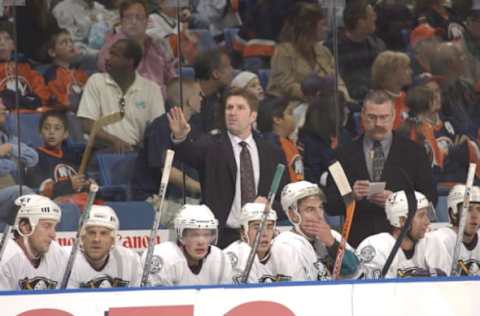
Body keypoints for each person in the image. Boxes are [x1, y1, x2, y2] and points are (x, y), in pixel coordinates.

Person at [168, 88, 287, 248]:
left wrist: (271, 206)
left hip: (261, 235)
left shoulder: (272, 151)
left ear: (253, 116)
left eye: (240, 107)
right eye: (229, 107)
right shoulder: (211, 145)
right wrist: (181, 137)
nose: (232, 112)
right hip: (223, 237)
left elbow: (284, 198)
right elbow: (189, 155)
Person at [325, 90, 437, 247]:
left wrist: (398, 201)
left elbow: (431, 198)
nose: (378, 123)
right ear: (362, 117)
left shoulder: (414, 153)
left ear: (394, 116)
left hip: (403, 244)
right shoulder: (343, 155)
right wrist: (351, 196)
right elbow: (330, 204)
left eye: (384, 117)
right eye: (372, 117)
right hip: (359, 244)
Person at [131, 78, 204, 225]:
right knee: (195, 222)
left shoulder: (194, 128)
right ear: (189, 100)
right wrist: (200, 187)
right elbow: (167, 170)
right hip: (156, 199)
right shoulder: (161, 127)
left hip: (184, 199)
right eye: (199, 94)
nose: (202, 98)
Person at [78, 38, 165, 152]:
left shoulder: (152, 89)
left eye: (114, 55)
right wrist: (114, 141)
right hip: (102, 151)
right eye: (110, 53)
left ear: (129, 62)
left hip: (137, 152)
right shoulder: (96, 81)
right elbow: (86, 124)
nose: (107, 58)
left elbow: (158, 128)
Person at [271, 181, 359, 281]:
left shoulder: (331, 235)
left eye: (320, 207)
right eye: (310, 209)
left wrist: (332, 244)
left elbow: (355, 270)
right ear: (292, 215)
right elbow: (295, 289)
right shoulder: (285, 245)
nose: (319, 215)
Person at [267, 3, 350, 104]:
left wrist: (344, 97)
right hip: (290, 107)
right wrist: (317, 97)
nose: (327, 29)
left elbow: (338, 82)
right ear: (309, 26)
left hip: (325, 105)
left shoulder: (324, 52)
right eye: (323, 24)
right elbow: (287, 86)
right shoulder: (283, 52)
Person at [356, 190, 450, 278]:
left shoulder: (431, 242)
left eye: (427, 215)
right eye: (421, 215)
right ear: (402, 221)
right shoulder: (377, 247)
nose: (427, 222)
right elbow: (374, 291)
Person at [97, 0, 176, 95]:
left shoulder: (155, 45)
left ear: (147, 21)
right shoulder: (112, 49)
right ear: (121, 22)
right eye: (128, 17)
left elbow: (171, 76)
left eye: (138, 17)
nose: (133, 22)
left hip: (162, 100)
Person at [143, 204, 232, 286]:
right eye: (194, 235)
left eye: (206, 234)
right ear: (181, 235)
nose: (201, 242)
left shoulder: (221, 260)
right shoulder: (164, 258)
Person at [0, 194, 67, 290]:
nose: (53, 235)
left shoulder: (58, 255)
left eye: (54, 227)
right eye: (47, 226)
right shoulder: (5, 258)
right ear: (25, 227)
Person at [25, 110, 93, 201]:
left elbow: (81, 184)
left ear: (65, 134)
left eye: (57, 128)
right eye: (46, 128)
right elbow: (41, 189)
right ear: (40, 132)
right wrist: (69, 184)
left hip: (78, 204)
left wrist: (88, 185)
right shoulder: (35, 157)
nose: (51, 132)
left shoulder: (72, 158)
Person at [67, 205, 142, 288]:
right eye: (91, 232)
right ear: (82, 236)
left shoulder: (130, 261)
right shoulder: (67, 260)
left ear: (113, 239)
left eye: (103, 233)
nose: (96, 239)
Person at [326, 0, 385, 101]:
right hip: (352, 100)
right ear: (360, 22)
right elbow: (342, 81)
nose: (375, 18)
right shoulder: (333, 48)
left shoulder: (377, 44)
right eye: (371, 16)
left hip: (378, 96)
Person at [223, 202, 286, 283]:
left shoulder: (282, 253)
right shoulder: (235, 257)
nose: (264, 233)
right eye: (257, 227)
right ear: (243, 232)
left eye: (269, 227)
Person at [428, 184, 480, 275]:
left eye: (479, 209)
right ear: (453, 213)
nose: (475, 216)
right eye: (468, 209)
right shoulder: (440, 240)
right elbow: (440, 286)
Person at [0, 20, 49, 110]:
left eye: (7, 38)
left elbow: (42, 94)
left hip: (28, 116)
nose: (2, 43)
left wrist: (30, 101)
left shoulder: (25, 68)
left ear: (13, 45)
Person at [256, 96, 303, 183]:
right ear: (277, 119)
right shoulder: (273, 147)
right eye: (290, 113)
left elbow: (299, 174)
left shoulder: (289, 142)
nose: (293, 117)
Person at [44, 28, 89, 112]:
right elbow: (58, 101)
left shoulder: (79, 73)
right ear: (52, 52)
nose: (70, 45)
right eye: (64, 42)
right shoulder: (52, 75)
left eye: (71, 41)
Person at [193, 49, 234, 133]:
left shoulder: (223, 96)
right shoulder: (187, 100)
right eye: (228, 67)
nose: (232, 71)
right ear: (216, 74)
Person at [0, 100, 38, 190]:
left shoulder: (6, 136)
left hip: (11, 187)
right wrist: (14, 164)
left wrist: (10, 148)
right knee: (22, 191)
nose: (3, 107)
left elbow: (33, 157)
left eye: (2, 103)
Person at [371, 51, 413, 129]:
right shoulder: (376, 102)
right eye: (405, 68)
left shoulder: (405, 96)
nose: (411, 71)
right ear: (390, 73)